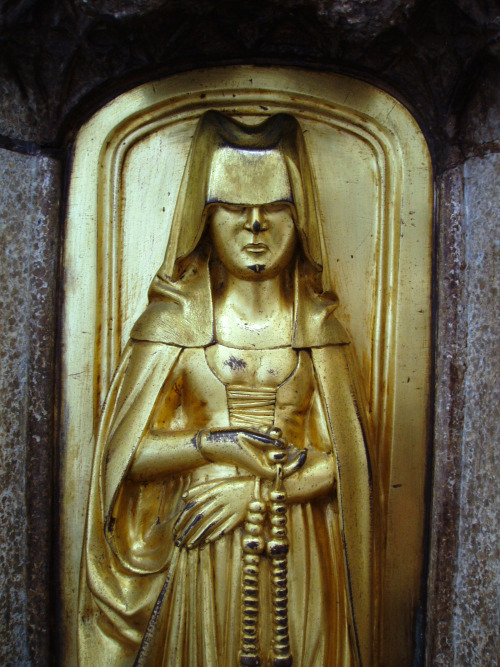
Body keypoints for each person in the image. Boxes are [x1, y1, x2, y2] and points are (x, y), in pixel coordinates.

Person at [79, 111, 373, 667]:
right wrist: (213, 446)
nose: (255, 225)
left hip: (299, 543)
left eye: (275, 209)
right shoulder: (171, 326)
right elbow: (122, 459)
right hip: (202, 545)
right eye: (235, 208)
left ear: (300, 216)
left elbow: (347, 464)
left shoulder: (322, 332)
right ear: (206, 218)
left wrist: (256, 494)